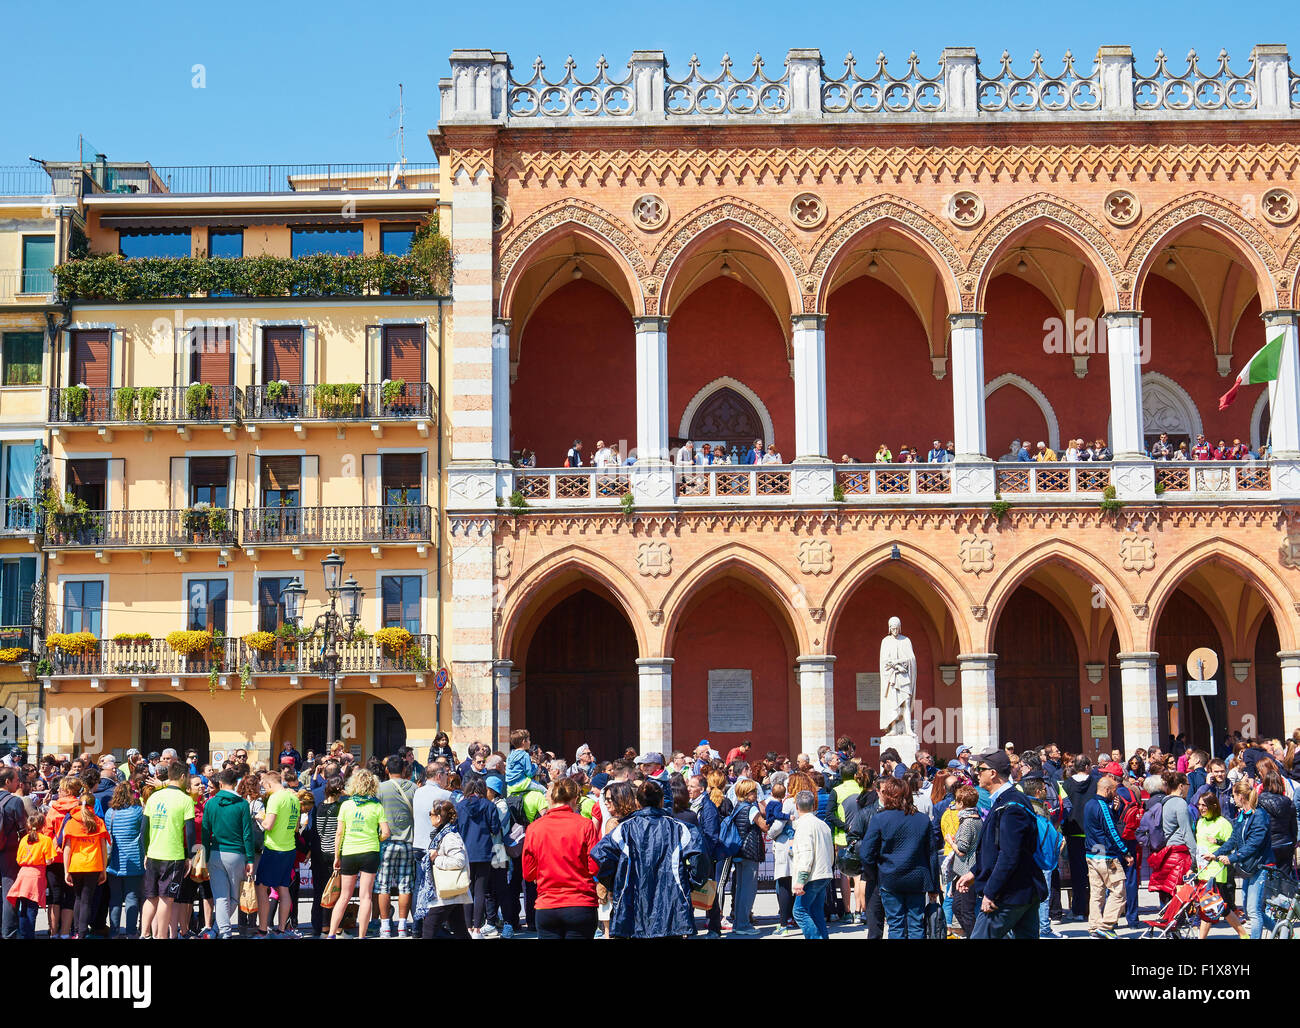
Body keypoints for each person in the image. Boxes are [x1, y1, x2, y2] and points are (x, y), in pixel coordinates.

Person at [590, 779, 702, 939]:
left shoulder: (624, 828)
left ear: (637, 801)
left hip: (633, 905)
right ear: (662, 801)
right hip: (670, 907)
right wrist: (691, 883)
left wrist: (614, 883)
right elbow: (701, 858)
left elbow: (600, 856)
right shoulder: (679, 828)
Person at [957, 749, 1047, 938]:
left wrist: (990, 892)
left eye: (980, 769)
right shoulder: (1007, 800)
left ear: (993, 772)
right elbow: (996, 849)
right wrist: (974, 872)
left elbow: (1009, 854)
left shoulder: (1012, 805)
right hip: (1021, 890)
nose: (976, 773)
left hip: (1009, 893)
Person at [859, 775, 939, 938]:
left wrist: (874, 874)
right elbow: (932, 854)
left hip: (890, 876)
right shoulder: (922, 819)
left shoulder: (880, 819)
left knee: (896, 925)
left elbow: (866, 853)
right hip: (917, 878)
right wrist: (934, 886)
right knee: (916, 924)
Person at [522, 777, 600, 939]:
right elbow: (594, 866)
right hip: (580, 902)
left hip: (547, 904)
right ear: (575, 799)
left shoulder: (534, 828)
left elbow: (528, 873)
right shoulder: (585, 825)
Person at [327, 769, 388, 939]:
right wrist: (377, 838)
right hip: (370, 851)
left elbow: (339, 833)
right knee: (366, 896)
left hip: (349, 852)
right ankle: (361, 936)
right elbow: (386, 832)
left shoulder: (346, 805)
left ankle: (331, 934)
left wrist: (337, 856)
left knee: (344, 896)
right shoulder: (376, 806)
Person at [1211, 778, 1274, 938]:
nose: (1233, 799)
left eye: (1234, 795)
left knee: (1253, 911)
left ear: (1241, 796)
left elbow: (1254, 845)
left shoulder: (1259, 815)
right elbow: (1233, 839)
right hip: (1248, 866)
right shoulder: (1242, 815)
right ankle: (1282, 932)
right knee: (1249, 909)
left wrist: (1232, 858)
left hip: (1261, 866)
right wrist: (1216, 853)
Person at [141, 762, 196, 940]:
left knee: (151, 897)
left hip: (153, 853)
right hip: (173, 855)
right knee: (166, 899)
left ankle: (144, 934)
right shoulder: (186, 799)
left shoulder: (154, 797)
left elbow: (144, 830)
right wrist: (190, 857)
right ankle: (162, 936)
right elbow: (189, 832)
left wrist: (146, 852)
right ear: (182, 777)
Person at [201, 768, 255, 940]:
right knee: (234, 897)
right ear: (235, 783)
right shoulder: (242, 804)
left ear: (221, 783)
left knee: (220, 897)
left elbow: (205, 833)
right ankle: (222, 931)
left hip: (215, 852)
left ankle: (220, 931)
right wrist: (251, 859)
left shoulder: (210, 803)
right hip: (236, 854)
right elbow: (248, 834)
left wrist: (206, 856)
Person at [1083, 772, 1130, 939]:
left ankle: (1094, 926)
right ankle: (1106, 925)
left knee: (1097, 893)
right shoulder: (1103, 806)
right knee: (1119, 891)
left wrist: (1115, 811)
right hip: (1106, 856)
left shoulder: (1089, 804)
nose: (1116, 794)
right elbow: (1112, 831)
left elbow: (1098, 829)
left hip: (1092, 853)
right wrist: (1125, 852)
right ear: (1108, 789)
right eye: (1114, 790)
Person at [1194, 792, 1247, 939]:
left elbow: (1233, 845)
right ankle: (1243, 935)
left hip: (1217, 871)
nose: (1201, 808)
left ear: (1214, 806)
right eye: (1199, 804)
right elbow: (1198, 847)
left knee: (1209, 905)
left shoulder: (1223, 823)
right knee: (1221, 907)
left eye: (1204, 805)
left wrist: (1217, 842)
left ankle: (1201, 938)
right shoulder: (1200, 821)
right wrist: (1193, 867)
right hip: (1202, 870)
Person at [456, 776, 504, 939]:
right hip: (484, 852)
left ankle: (467, 928)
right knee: (480, 891)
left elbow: (455, 829)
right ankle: (477, 929)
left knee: (467, 891)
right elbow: (495, 828)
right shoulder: (489, 805)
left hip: (465, 853)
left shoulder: (460, 806)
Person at [254, 769, 300, 938]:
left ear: (269, 784)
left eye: (264, 786)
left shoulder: (275, 797)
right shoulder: (294, 797)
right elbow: (296, 827)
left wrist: (260, 818)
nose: (265, 789)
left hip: (275, 848)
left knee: (261, 887)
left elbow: (269, 825)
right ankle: (281, 929)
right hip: (289, 847)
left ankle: (263, 930)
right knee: (283, 888)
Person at [414, 800, 470, 939]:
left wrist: (436, 859)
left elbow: (459, 861)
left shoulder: (449, 836)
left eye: (431, 814)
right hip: (448, 891)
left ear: (439, 817)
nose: (430, 816)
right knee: (459, 929)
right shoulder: (442, 834)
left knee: (429, 928)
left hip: (446, 892)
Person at [376, 754, 417, 938]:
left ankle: (385, 926)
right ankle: (402, 925)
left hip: (385, 842)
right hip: (408, 841)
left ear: (387, 770)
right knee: (405, 885)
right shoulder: (414, 788)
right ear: (404, 770)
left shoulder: (380, 789)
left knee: (383, 886)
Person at [61, 796, 109, 939]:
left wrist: (66, 870)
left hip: (76, 865)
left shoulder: (71, 822)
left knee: (78, 898)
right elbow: (103, 848)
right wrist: (103, 869)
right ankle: (82, 933)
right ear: (93, 805)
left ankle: (76, 932)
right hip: (93, 865)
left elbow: (67, 849)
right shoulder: (98, 821)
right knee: (87, 900)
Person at [790, 789, 833, 939]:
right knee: (816, 911)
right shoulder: (822, 825)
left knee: (799, 911)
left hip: (811, 875)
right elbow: (830, 851)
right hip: (824, 872)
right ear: (814, 805)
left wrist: (801, 879)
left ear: (796, 806)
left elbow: (806, 853)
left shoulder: (804, 826)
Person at [103, 781, 144, 939]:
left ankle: (114, 932)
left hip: (114, 861)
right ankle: (131, 931)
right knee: (132, 897)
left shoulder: (110, 813)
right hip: (134, 859)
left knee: (115, 899)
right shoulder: (137, 811)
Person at [728, 778, 767, 935]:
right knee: (748, 890)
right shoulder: (751, 809)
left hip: (739, 852)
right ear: (747, 793)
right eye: (754, 791)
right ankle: (744, 924)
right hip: (749, 852)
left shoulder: (737, 807)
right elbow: (764, 826)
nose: (756, 794)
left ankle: (738, 923)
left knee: (740, 889)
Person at [1060, 754, 1095, 920]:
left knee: (1077, 874)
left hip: (1074, 834)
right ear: (1087, 766)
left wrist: (1064, 832)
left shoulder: (1066, 785)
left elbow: (1063, 810)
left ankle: (1079, 910)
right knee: (1095, 874)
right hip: (1093, 835)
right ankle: (1094, 909)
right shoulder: (1096, 783)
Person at [947, 784, 982, 937]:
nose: (955, 804)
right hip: (964, 870)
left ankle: (975, 935)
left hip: (967, 870)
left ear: (962, 803)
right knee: (957, 907)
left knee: (965, 911)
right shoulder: (976, 818)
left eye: (957, 801)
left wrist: (950, 842)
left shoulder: (968, 821)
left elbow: (961, 851)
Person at [0, 766, 29, 939]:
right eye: (17, 780)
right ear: (7, 781)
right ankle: (8, 933)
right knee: (9, 894)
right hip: (9, 853)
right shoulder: (15, 801)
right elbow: (22, 829)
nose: (19, 783)